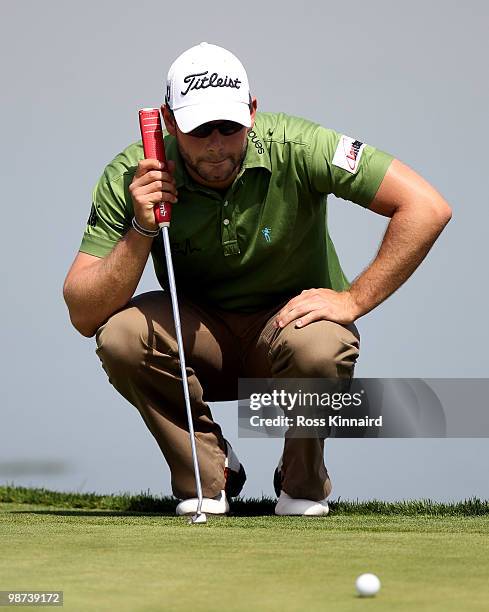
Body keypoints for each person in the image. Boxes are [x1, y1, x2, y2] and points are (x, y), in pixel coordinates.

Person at [63, 42, 452, 516]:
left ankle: (301, 480)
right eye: (200, 128)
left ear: (252, 111)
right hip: (199, 339)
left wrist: (353, 299)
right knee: (120, 336)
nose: (217, 143)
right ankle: (211, 473)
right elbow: (84, 314)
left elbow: (427, 208)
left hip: (286, 337)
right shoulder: (131, 173)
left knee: (322, 344)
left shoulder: (301, 146)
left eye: (230, 126)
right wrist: (142, 226)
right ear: (168, 123)